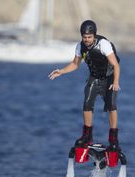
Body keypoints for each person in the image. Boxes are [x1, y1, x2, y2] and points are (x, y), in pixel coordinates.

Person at [48, 20, 121, 151]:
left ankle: (113, 139)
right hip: (94, 77)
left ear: (94, 35)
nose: (87, 40)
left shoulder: (103, 44)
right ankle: (87, 136)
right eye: (84, 37)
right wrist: (62, 71)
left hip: (109, 77)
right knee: (87, 104)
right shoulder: (80, 46)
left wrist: (115, 82)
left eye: (89, 37)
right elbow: (75, 64)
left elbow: (116, 65)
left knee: (111, 105)